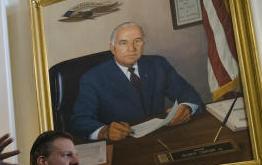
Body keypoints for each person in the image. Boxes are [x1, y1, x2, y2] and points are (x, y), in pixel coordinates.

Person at [70, 21, 203, 141]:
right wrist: (105, 132)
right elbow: (80, 120)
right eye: (123, 43)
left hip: (160, 137)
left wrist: (186, 107)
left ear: (143, 43)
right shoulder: (92, 78)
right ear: (112, 48)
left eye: (137, 41)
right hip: (123, 144)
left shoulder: (158, 64)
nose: (132, 48)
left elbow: (187, 92)